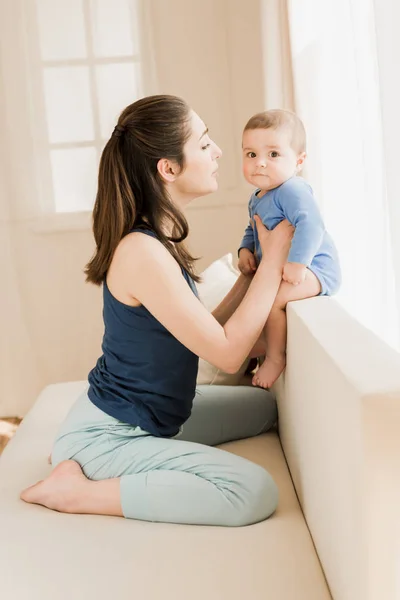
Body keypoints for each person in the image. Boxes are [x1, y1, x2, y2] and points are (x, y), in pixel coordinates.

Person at [20, 95, 294, 527]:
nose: (219, 151)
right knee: (251, 492)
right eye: (204, 145)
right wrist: (276, 256)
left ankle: (80, 464)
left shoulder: (157, 241)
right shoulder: (141, 251)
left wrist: (248, 278)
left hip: (156, 416)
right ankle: (75, 491)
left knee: (264, 410)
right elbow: (225, 353)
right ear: (168, 168)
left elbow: (201, 333)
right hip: (109, 434)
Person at [238, 109, 341, 389]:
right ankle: (258, 345)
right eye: (251, 155)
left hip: (316, 269)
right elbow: (253, 228)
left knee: (271, 302)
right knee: (256, 300)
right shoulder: (257, 197)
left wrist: (297, 263)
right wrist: (244, 251)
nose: (260, 163)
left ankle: (275, 357)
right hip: (288, 267)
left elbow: (312, 226)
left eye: (273, 155)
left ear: (299, 161)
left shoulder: (292, 190)